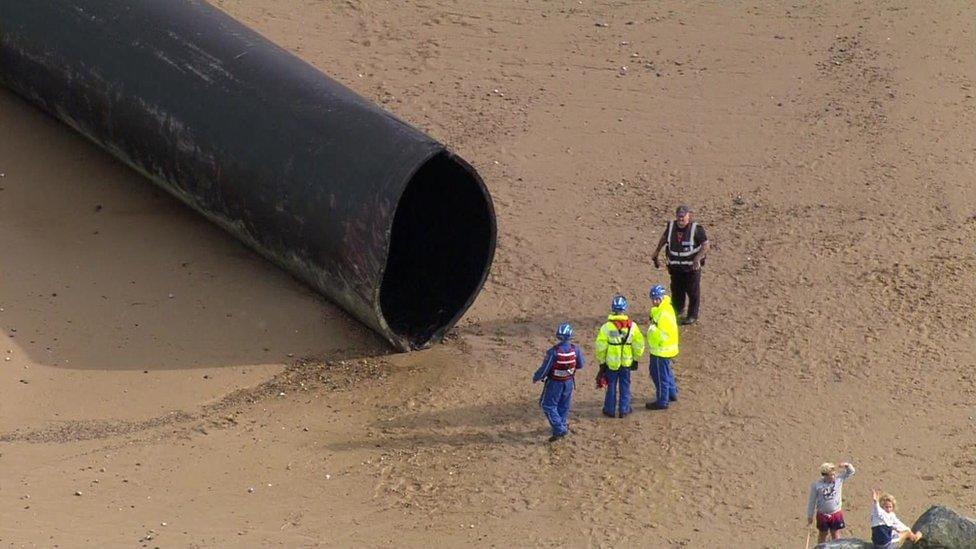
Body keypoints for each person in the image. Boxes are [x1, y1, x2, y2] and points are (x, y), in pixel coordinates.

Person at [651, 205, 710, 325]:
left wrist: (697, 259)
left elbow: (705, 245)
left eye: (683, 217)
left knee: (693, 292)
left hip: (691, 269)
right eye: (679, 217)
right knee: (677, 290)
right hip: (675, 268)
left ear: (688, 216)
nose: (681, 219)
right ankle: (678, 310)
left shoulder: (696, 229)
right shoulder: (671, 227)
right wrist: (656, 252)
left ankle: (692, 316)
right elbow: (664, 238)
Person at [533, 323, 585, 442]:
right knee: (564, 405)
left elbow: (545, 369)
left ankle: (560, 428)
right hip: (569, 382)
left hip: (554, 383)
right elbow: (581, 364)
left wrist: (537, 377)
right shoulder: (575, 350)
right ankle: (561, 425)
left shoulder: (553, 352)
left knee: (547, 405)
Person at [594, 295, 645, 418]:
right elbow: (639, 344)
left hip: (611, 364)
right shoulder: (632, 327)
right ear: (625, 309)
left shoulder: (606, 327)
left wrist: (602, 362)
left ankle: (609, 410)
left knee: (610, 387)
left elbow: (600, 347)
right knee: (625, 386)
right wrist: (636, 359)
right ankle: (624, 409)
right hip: (626, 363)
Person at [644, 284, 679, 410]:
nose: (654, 301)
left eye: (656, 299)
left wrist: (651, 331)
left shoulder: (663, 314)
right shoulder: (665, 309)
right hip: (668, 349)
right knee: (666, 372)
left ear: (662, 298)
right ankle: (672, 393)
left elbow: (662, 334)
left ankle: (662, 401)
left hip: (661, 350)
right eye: (653, 299)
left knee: (659, 376)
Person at [806, 462, 856, 543]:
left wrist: (847, 465)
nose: (833, 477)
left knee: (836, 534)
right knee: (823, 534)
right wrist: (810, 516)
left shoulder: (839, 479)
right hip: (822, 514)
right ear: (825, 475)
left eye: (834, 474)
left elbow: (851, 472)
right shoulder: (817, 485)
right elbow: (812, 501)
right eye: (830, 475)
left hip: (836, 513)